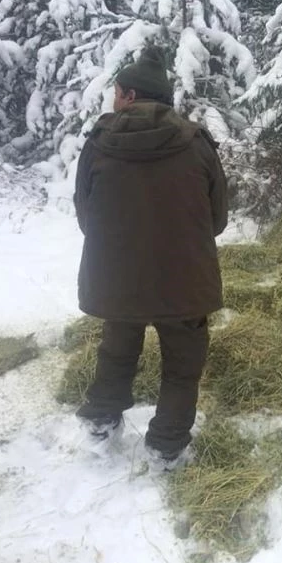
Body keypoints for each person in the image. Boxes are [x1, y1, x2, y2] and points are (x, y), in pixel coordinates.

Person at [72, 46, 228, 464]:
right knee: (182, 362)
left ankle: (101, 422)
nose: (113, 99)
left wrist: (121, 248)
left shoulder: (99, 143)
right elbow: (217, 218)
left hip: (119, 278)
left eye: (116, 91)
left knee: (117, 345)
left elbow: (86, 215)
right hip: (185, 278)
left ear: (128, 95)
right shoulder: (197, 144)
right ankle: (167, 444)